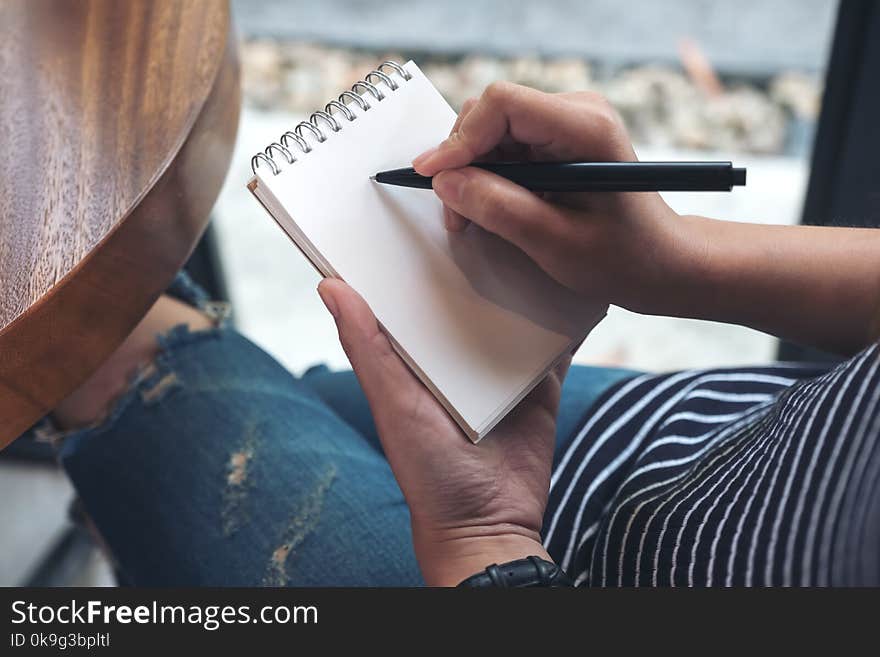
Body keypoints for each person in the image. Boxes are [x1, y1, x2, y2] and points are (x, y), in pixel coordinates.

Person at [43, 82, 880, 586]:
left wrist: (484, 536)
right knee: (320, 394)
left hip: (514, 580)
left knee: (110, 337)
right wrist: (679, 258)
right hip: (697, 440)